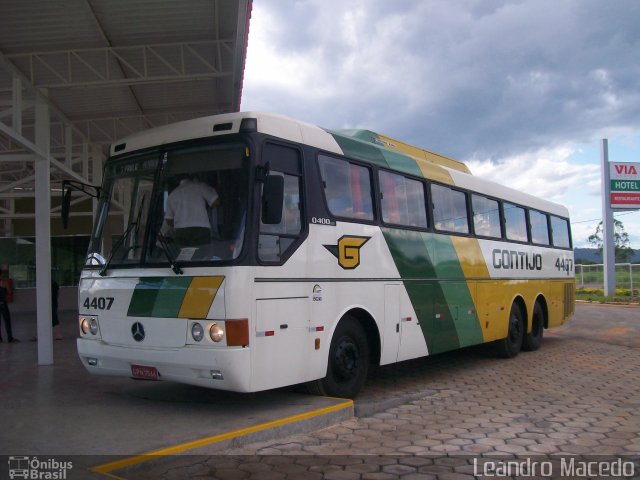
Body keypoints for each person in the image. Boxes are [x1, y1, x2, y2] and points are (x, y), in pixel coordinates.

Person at [164, 176, 219, 246]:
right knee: (202, 255)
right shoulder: (200, 186)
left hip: (180, 232)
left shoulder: (172, 195)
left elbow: (168, 220)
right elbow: (216, 202)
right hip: (200, 231)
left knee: (183, 255)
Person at [0, 270, 18, 343]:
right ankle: (9, 337)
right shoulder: (4, 282)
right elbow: (9, 292)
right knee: (7, 320)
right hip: (2, 303)